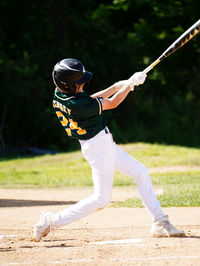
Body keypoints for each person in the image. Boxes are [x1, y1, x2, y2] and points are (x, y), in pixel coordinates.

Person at [33, 58, 185, 242]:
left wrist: (117, 85)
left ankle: (160, 221)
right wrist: (129, 86)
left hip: (101, 144)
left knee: (140, 173)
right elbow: (112, 103)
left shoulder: (60, 94)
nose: (83, 85)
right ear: (69, 86)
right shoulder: (79, 106)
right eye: (80, 83)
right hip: (98, 148)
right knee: (101, 199)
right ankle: (51, 221)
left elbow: (91, 99)